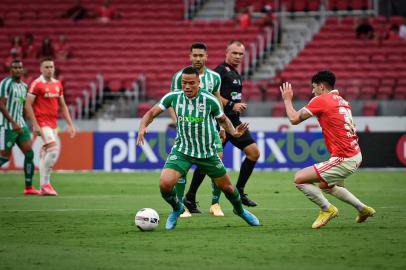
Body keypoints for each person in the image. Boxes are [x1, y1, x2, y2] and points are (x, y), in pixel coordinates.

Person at [137, 66, 261, 230]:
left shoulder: (209, 100)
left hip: (207, 152)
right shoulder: (173, 97)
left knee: (229, 189)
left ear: (198, 83)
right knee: (164, 184)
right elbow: (151, 113)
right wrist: (142, 127)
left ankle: (240, 210)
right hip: (182, 150)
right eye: (184, 83)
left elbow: (223, 120)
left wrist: (233, 132)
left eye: (191, 83)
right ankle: (177, 208)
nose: (187, 87)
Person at [279, 70, 376, 229]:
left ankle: (327, 209)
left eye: (314, 87)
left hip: (344, 157)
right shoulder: (343, 101)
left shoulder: (321, 99)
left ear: (322, 86)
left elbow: (294, 119)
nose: (312, 91)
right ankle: (363, 209)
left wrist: (287, 100)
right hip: (355, 154)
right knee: (326, 186)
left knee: (299, 179)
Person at [170, 42, 225, 218]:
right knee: (182, 168)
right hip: (187, 131)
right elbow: (171, 101)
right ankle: (181, 206)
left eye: (201, 55)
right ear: (190, 56)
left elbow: (218, 102)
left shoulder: (215, 77)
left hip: (211, 132)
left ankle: (215, 204)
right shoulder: (179, 77)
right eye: (195, 55)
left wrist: (222, 126)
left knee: (218, 166)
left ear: (206, 57)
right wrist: (177, 122)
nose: (198, 59)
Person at [214, 40, 260, 207]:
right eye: (234, 53)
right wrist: (232, 105)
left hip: (233, 120)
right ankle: (190, 196)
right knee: (212, 161)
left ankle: (239, 191)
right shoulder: (220, 71)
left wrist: (236, 106)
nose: (238, 56)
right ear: (227, 52)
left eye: (241, 54)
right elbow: (213, 94)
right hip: (220, 121)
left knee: (253, 153)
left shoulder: (235, 73)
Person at [25, 57, 76, 196]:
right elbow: (28, 104)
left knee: (50, 152)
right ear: (41, 69)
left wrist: (70, 124)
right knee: (53, 149)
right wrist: (34, 124)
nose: (49, 69)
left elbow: (63, 106)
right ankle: (46, 184)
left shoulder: (58, 84)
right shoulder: (36, 84)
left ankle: (43, 186)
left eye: (51, 67)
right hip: (42, 122)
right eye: (46, 67)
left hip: (53, 123)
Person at [0, 60, 38, 195]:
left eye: (20, 67)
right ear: (11, 70)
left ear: (22, 70)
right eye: (15, 67)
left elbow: (23, 107)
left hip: (21, 126)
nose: (18, 70)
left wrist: (29, 123)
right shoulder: (5, 83)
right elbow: (1, 105)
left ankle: (28, 187)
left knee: (29, 154)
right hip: (6, 126)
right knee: (4, 158)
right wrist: (13, 122)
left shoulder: (24, 87)